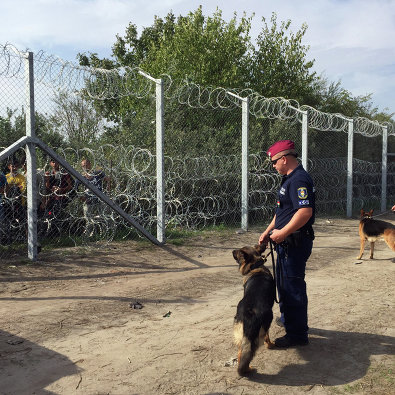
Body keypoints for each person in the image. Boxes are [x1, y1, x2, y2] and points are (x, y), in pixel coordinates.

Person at [259, 139, 315, 348]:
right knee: (284, 286)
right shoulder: (288, 178)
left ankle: (298, 335)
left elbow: (304, 212)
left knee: (292, 288)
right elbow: (282, 211)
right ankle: (289, 321)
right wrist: (268, 232)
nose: (273, 166)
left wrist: (283, 232)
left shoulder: (299, 180)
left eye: (274, 162)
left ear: (284, 159)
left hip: (295, 242)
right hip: (286, 241)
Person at [77, 158, 108, 234]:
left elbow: (107, 180)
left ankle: (105, 233)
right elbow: (76, 189)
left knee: (103, 217)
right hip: (88, 200)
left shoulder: (98, 173)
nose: (84, 167)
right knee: (88, 219)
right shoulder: (81, 177)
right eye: (83, 166)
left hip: (100, 199)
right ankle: (88, 235)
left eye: (86, 165)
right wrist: (82, 198)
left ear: (90, 164)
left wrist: (106, 192)